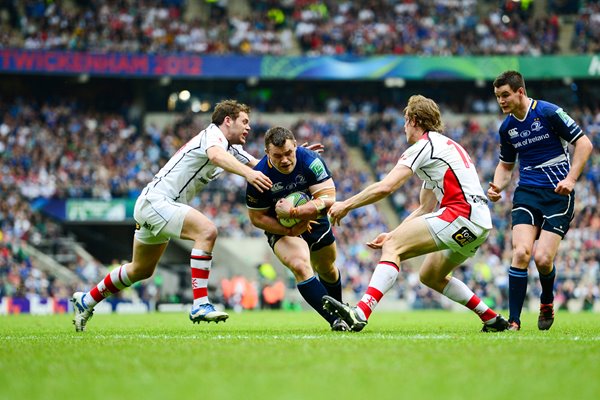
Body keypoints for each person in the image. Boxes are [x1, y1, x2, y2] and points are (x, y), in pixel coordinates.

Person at [70, 99, 273, 332]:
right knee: (207, 231)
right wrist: (248, 174)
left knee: (141, 269)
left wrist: (297, 161)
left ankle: (86, 300)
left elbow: (261, 167)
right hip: (158, 202)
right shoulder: (213, 135)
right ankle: (200, 304)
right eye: (244, 122)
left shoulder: (232, 149)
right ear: (227, 121)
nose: (248, 127)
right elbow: (217, 157)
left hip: (154, 205)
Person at [323, 95, 509, 333]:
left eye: (405, 121)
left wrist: (346, 205)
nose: (403, 127)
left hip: (461, 214)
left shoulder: (425, 145)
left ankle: (360, 313)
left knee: (394, 247)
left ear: (413, 120)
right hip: (479, 223)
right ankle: (491, 318)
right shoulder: (444, 146)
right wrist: (393, 233)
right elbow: (425, 208)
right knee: (430, 275)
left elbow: (386, 186)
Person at [488, 71, 593, 331]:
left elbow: (584, 144)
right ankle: (514, 321)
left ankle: (547, 301)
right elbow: (506, 165)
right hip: (527, 193)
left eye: (505, 95)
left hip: (558, 194)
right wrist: (497, 185)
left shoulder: (548, 112)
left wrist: (570, 179)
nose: (501, 101)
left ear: (520, 92)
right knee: (521, 252)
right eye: (498, 97)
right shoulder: (507, 128)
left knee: (543, 259)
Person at [246, 126, 348, 331]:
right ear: (267, 153)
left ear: (295, 146)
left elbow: (328, 199)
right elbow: (256, 218)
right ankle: (336, 320)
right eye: (277, 156)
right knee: (300, 265)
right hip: (280, 228)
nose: (284, 160)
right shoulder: (259, 176)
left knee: (326, 268)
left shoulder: (310, 160)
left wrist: (294, 214)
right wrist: (289, 230)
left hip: (314, 220)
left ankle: (342, 311)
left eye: (288, 153)